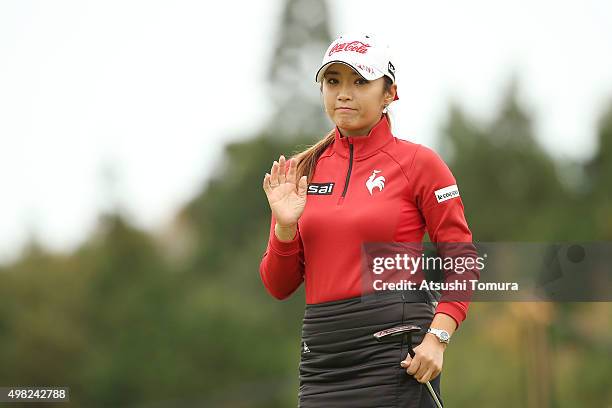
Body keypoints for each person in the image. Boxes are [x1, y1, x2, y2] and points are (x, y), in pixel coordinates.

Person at [259, 33, 477, 407]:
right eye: (334, 81)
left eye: (360, 81)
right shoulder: (302, 172)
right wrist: (284, 228)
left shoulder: (419, 164)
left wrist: (438, 338)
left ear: (389, 93)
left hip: (397, 354)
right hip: (323, 360)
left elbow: (463, 261)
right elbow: (279, 286)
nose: (344, 93)